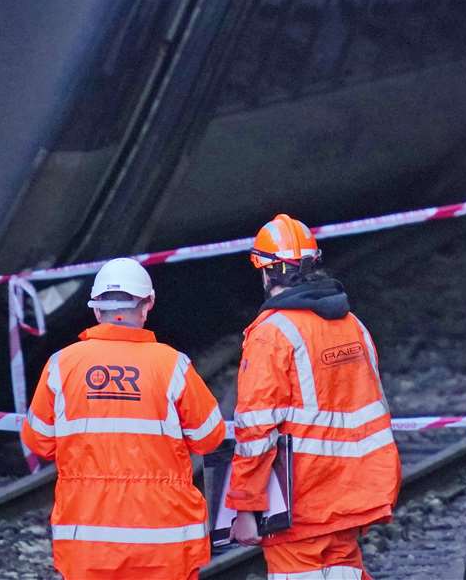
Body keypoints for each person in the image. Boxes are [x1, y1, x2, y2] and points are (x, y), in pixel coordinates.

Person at [20, 257, 226, 580]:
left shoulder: (61, 366)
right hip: (164, 544)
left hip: (88, 545)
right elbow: (210, 437)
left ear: (96, 310)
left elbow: (38, 442)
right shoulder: (172, 366)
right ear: (147, 305)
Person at [228, 213, 400, 580]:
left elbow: (257, 430)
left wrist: (245, 506)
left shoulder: (271, 334)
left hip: (301, 502)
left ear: (264, 270)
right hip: (354, 493)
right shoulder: (352, 324)